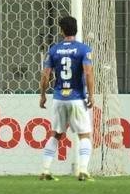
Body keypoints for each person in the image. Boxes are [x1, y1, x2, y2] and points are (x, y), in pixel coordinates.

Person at [37, 16, 95, 182]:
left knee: (55, 134)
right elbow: (88, 73)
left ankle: (45, 170)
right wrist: (91, 95)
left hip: (59, 98)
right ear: (76, 29)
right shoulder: (84, 49)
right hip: (76, 97)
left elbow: (45, 75)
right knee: (84, 135)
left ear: (61, 31)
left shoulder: (53, 50)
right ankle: (83, 170)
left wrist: (43, 95)